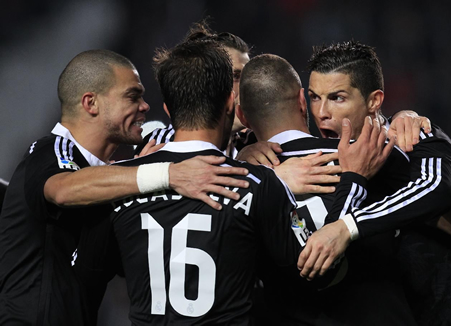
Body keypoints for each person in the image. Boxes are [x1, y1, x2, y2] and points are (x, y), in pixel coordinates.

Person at [75, 38, 392, 325]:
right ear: (230, 106)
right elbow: (320, 269)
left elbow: (87, 272)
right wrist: (353, 181)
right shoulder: (258, 184)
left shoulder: (123, 184)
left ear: (169, 109)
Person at [0, 49, 252, 325]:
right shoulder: (51, 150)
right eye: (133, 96)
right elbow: (62, 189)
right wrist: (164, 173)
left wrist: (246, 152)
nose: (145, 106)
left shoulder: (115, 179)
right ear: (91, 103)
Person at [237, 51, 451, 325]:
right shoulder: (274, 167)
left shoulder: (412, 140)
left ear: (374, 101)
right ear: (302, 100)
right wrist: (252, 158)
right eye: (314, 97)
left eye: (337, 98)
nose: (321, 113)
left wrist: (348, 226)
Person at [135, 19, 257, 158]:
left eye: (247, 77)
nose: (246, 87)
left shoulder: (257, 144)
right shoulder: (160, 146)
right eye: (234, 76)